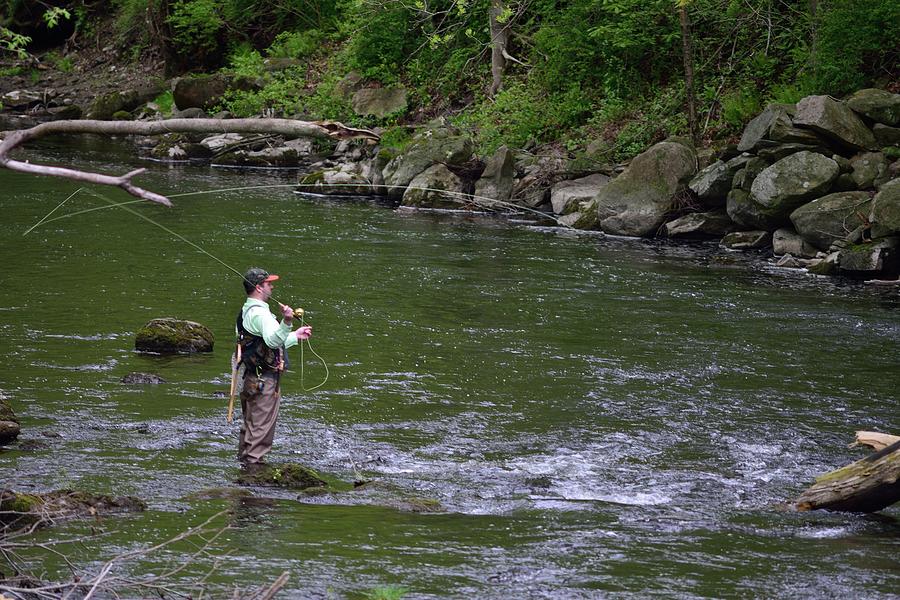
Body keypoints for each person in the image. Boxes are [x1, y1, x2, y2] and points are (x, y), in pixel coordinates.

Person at [235, 267, 312, 469]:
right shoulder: (261, 314)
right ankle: (254, 474)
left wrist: (295, 336)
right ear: (259, 288)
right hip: (264, 382)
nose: (272, 286)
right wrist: (286, 321)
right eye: (269, 283)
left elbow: (261, 344)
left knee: (250, 427)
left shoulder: (247, 310)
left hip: (251, 379)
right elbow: (271, 342)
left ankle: (244, 471)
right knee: (260, 431)